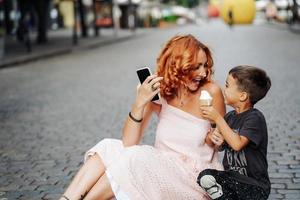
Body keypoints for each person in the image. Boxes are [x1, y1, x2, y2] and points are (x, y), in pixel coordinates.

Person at [60, 34, 225, 200]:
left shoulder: (211, 92)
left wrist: (215, 136)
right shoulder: (161, 96)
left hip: (195, 179)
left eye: (204, 66)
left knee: (137, 157)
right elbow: (129, 143)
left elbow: (222, 138)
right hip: (162, 168)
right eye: (196, 67)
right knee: (108, 146)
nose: (203, 73)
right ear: (178, 66)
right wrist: (140, 101)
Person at [197, 65, 271, 200]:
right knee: (205, 176)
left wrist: (218, 118)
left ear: (243, 96)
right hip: (232, 181)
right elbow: (219, 147)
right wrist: (214, 139)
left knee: (212, 180)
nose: (224, 89)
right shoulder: (229, 118)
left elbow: (237, 144)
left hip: (254, 185)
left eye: (227, 85)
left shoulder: (255, 118)